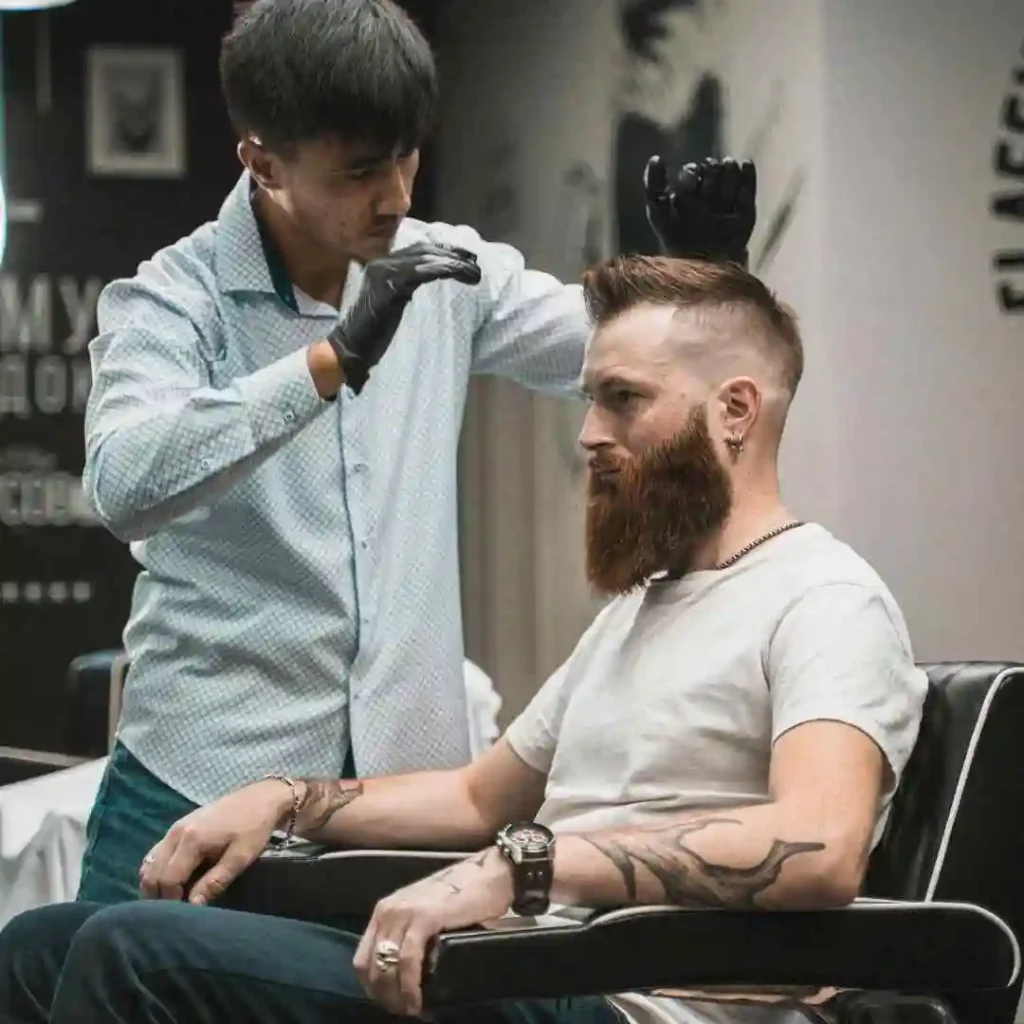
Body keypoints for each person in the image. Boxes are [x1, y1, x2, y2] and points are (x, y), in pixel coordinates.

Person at [0, 256, 928, 1024]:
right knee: (39, 947)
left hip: (639, 1003)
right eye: (589, 400)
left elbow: (819, 843)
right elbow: (479, 794)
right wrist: (282, 797)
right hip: (533, 973)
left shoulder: (827, 598)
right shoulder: (642, 611)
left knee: (136, 954)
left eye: (621, 399)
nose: (590, 434)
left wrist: (519, 870)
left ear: (735, 410)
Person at [76, 0, 758, 903]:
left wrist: (702, 280)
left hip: (393, 801)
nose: (396, 195)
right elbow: (125, 485)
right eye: (360, 171)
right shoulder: (171, 300)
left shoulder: (441, 269)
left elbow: (602, 349)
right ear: (263, 161)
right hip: (193, 780)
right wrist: (327, 362)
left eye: (407, 155)